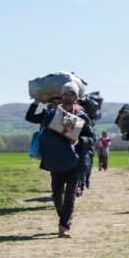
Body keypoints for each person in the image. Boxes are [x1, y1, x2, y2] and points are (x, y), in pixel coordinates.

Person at [27, 82, 95, 238]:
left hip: (75, 161)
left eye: (71, 94)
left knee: (70, 195)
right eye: (65, 94)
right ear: (61, 96)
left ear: (76, 97)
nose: (68, 96)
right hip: (55, 161)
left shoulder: (82, 116)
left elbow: (92, 139)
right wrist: (35, 103)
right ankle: (64, 216)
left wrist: (80, 141)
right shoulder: (51, 114)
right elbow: (30, 117)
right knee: (57, 195)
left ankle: (63, 226)